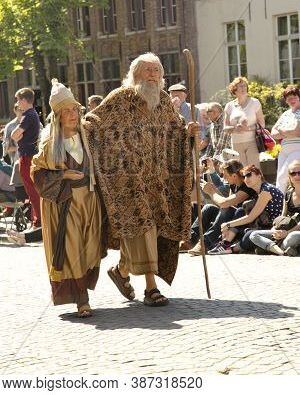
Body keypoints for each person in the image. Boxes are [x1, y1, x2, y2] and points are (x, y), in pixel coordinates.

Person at [83, 53, 196, 307]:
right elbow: (94, 123)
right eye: (147, 70)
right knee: (142, 228)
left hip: (158, 183)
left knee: (149, 232)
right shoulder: (120, 98)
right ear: (135, 74)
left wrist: (188, 133)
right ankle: (151, 288)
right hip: (129, 183)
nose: (153, 74)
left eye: (157, 70)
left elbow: (176, 131)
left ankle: (121, 272)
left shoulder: (165, 102)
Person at [31, 80, 102, 317]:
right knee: (72, 249)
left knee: (90, 247)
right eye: (66, 111)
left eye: (75, 110)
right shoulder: (50, 145)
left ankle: (84, 290)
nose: (72, 115)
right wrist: (63, 174)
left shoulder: (89, 139)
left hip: (90, 201)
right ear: (58, 116)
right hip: (66, 202)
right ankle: (82, 299)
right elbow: (37, 173)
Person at [209, 165, 284, 255]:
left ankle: (230, 248)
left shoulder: (266, 191)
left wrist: (227, 225)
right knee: (240, 211)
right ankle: (226, 243)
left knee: (249, 235)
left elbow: (250, 218)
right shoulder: (258, 192)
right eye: (244, 176)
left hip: (273, 228)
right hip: (261, 224)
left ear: (259, 176)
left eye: (248, 175)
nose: (246, 178)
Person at [187, 159, 257, 255]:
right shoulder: (235, 185)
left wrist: (211, 193)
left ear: (234, 176)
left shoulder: (246, 187)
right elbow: (229, 203)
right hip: (235, 217)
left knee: (226, 209)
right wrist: (215, 191)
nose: (223, 178)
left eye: (224, 175)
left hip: (244, 221)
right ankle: (191, 240)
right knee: (209, 208)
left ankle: (205, 244)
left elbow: (225, 204)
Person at [249, 160, 300, 256]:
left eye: (299, 173)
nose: (297, 176)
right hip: (287, 229)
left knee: (292, 237)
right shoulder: (288, 194)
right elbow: (282, 217)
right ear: (289, 176)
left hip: (294, 232)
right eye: (293, 173)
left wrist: (287, 233)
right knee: (253, 235)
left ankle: (271, 248)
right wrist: (275, 230)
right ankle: (282, 251)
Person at [11, 88, 41, 230]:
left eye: (18, 100)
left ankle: (38, 222)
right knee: (33, 189)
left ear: (23, 100)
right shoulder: (33, 114)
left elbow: (14, 135)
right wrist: (18, 136)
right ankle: (38, 220)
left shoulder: (27, 115)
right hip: (30, 155)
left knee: (32, 190)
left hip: (27, 156)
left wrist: (18, 136)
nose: (18, 103)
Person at [224, 76, 265, 168]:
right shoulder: (229, 106)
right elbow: (225, 128)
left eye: (244, 86)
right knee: (241, 172)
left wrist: (248, 129)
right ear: (234, 90)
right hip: (236, 143)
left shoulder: (255, 102)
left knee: (254, 170)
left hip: (252, 142)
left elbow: (262, 124)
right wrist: (235, 129)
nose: (243, 88)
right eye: (240, 86)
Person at [271, 85, 300, 194]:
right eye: (288, 98)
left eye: (294, 97)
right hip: (284, 150)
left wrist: (282, 130)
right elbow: (273, 133)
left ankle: (280, 205)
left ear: (299, 97)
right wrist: (288, 132)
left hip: (297, 149)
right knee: (280, 177)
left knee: (283, 175)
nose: (291, 100)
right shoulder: (285, 114)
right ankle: (281, 204)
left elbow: (296, 132)